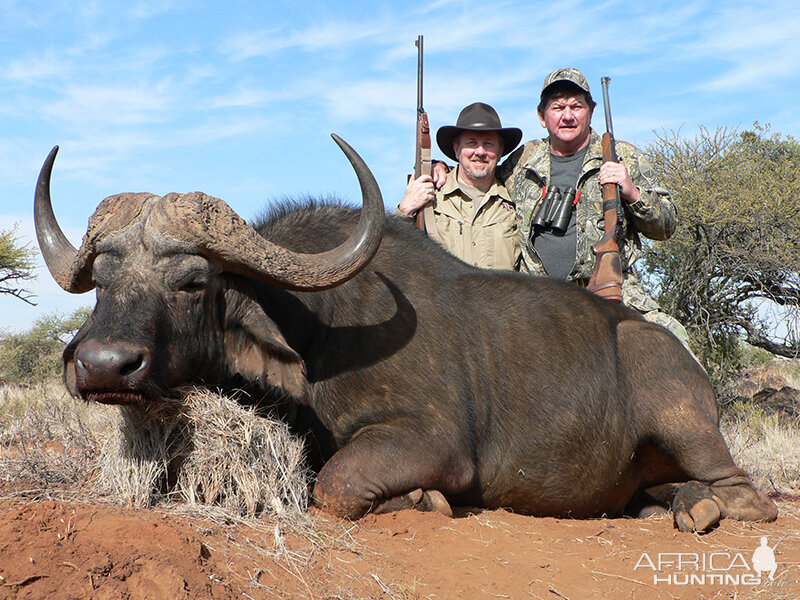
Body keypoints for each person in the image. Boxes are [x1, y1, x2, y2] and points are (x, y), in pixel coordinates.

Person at [494, 68, 689, 341]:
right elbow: (476, 179)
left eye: (577, 106)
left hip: (609, 294)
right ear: (542, 116)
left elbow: (667, 226)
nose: (568, 116)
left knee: (673, 340)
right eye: (558, 107)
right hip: (536, 301)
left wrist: (632, 191)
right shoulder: (521, 161)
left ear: (591, 112)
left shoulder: (624, 156)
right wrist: (441, 169)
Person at [398, 102, 523, 271]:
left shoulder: (517, 201)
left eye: (489, 144)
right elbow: (390, 249)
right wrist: (405, 210)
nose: (480, 152)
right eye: (472, 143)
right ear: (457, 149)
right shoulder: (429, 194)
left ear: (500, 152)